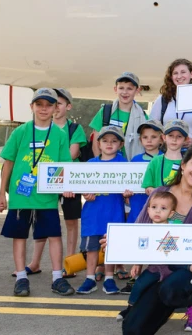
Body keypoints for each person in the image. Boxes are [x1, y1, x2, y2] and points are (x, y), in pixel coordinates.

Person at [119, 144, 192, 333]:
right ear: (183, 165)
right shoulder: (160, 194)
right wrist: (117, 242)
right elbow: (140, 229)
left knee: (169, 290)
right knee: (132, 329)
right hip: (162, 269)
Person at [0, 88, 75, 297]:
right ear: (32, 107)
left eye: (49, 105)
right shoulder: (21, 131)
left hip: (46, 197)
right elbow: (8, 163)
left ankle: (57, 277)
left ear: (55, 108)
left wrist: (67, 186)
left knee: (54, 235)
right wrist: (2, 193)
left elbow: (65, 164)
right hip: (21, 195)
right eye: (39, 104)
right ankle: (21, 277)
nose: (43, 109)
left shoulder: (59, 134)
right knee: (19, 236)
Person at [26, 88, 86, 274]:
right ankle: (35, 263)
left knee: (71, 221)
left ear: (68, 106)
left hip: (69, 180)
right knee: (42, 220)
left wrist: (50, 158)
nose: (56, 107)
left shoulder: (74, 129)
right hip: (45, 181)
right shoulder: (40, 128)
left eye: (58, 103)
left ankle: (69, 263)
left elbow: (72, 154)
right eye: (53, 103)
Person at [72, 125, 127, 296]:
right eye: (105, 141)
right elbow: (82, 185)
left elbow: (129, 186)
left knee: (110, 247)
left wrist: (127, 193)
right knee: (92, 248)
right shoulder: (91, 164)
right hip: (93, 215)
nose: (109, 144)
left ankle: (109, 278)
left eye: (114, 141)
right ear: (98, 143)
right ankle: (90, 278)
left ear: (121, 144)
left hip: (114, 213)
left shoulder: (124, 164)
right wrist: (86, 193)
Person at [116, 190, 176, 321]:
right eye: (154, 207)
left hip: (171, 269)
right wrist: (137, 264)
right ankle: (130, 308)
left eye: (163, 208)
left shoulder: (174, 230)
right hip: (154, 269)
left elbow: (173, 252)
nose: (158, 211)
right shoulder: (145, 228)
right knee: (139, 284)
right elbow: (141, 249)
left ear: (171, 213)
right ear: (148, 210)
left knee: (167, 292)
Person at [90, 72, 148, 160]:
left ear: (137, 91)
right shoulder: (105, 111)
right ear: (115, 89)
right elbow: (96, 143)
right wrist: (100, 164)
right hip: (107, 164)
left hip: (131, 164)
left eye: (129, 88)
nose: (125, 92)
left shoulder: (143, 117)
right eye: (121, 88)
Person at [149, 59, 192, 131]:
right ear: (171, 77)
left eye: (183, 72)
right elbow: (151, 128)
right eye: (175, 73)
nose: (179, 76)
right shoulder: (163, 99)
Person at [143, 119, 192, 194]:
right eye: (170, 135)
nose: (174, 139)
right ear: (164, 137)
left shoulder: (188, 163)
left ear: (186, 139)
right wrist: (155, 191)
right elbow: (148, 187)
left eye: (179, 136)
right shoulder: (155, 161)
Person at [126, 120, 163, 224]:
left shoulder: (165, 159)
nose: (149, 140)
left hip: (159, 210)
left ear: (162, 139)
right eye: (145, 137)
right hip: (137, 207)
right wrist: (126, 194)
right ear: (140, 140)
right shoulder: (135, 160)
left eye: (153, 137)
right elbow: (128, 183)